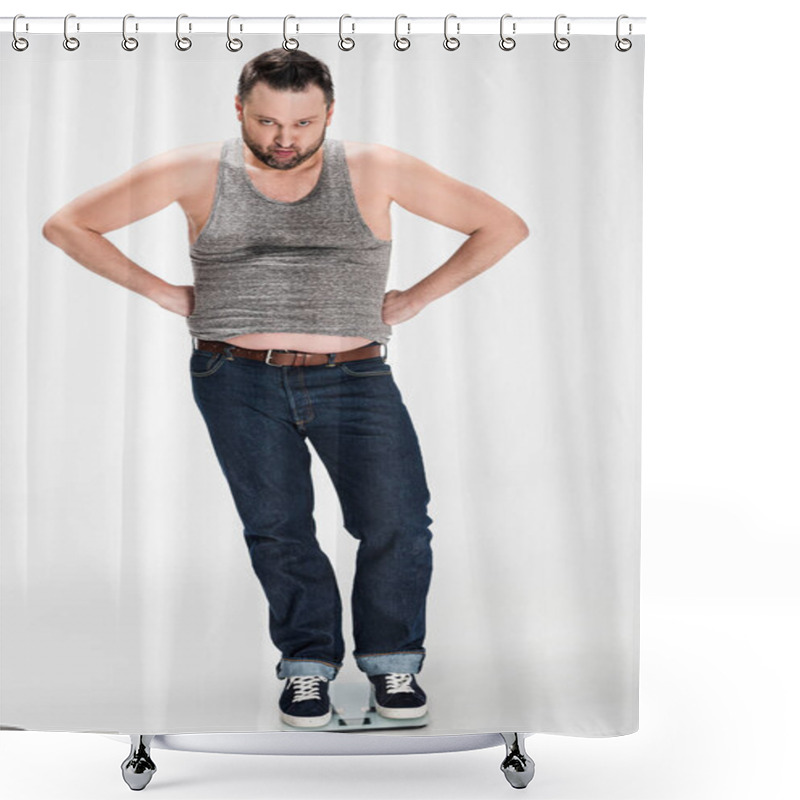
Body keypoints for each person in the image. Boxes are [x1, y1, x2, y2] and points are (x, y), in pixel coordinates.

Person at [42, 48, 529, 729]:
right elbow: (67, 224)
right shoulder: (196, 170)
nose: (284, 139)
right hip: (233, 376)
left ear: (330, 114)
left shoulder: (372, 168)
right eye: (268, 122)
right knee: (278, 528)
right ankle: (308, 669)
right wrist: (162, 292)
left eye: (302, 123)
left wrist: (415, 299)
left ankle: (392, 662)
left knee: (396, 521)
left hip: (354, 374)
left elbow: (504, 225)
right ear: (240, 110)